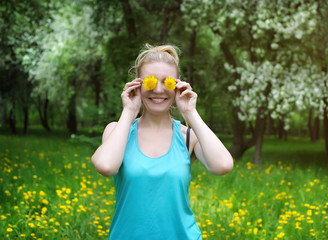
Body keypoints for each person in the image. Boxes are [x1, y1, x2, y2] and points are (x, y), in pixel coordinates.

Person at [91, 43, 233, 240]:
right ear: (137, 84)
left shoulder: (188, 137)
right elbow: (106, 166)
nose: (158, 90)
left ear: (178, 86)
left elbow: (223, 165)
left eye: (167, 83)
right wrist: (129, 111)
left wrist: (190, 113)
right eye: (149, 82)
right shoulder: (117, 131)